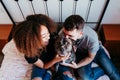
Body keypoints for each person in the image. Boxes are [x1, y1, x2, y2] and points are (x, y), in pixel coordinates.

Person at [56, 14, 120, 80]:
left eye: (70, 36)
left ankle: (105, 68)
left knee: (113, 73)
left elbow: (90, 57)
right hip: (80, 53)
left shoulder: (92, 39)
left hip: (95, 52)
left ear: (80, 34)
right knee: (86, 78)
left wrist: (77, 66)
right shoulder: (62, 33)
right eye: (65, 33)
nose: (66, 37)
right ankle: (103, 68)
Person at [12, 14, 70, 80]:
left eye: (48, 33)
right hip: (44, 64)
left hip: (58, 61)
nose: (48, 37)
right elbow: (43, 66)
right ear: (32, 40)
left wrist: (59, 59)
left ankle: (50, 74)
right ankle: (49, 73)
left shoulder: (53, 36)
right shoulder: (30, 55)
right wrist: (54, 60)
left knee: (68, 78)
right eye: (44, 36)